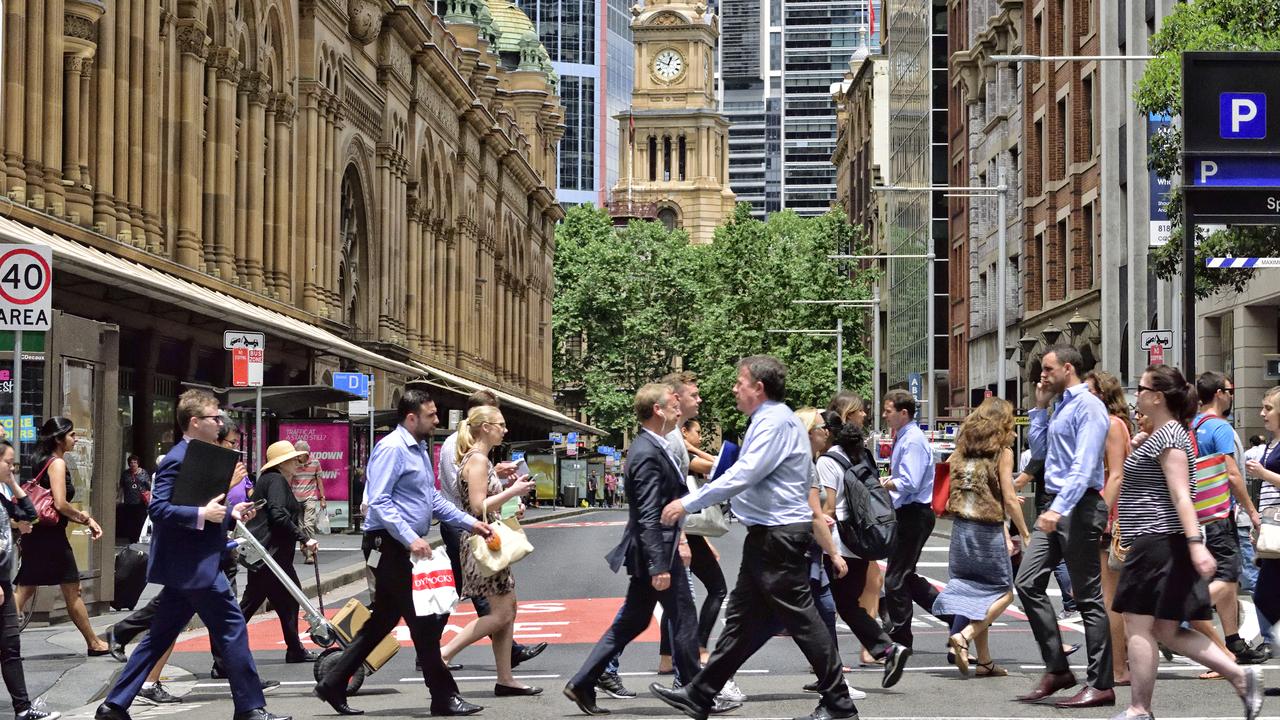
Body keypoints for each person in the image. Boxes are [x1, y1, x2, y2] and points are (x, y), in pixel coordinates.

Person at [651, 356, 858, 720]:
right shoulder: (770, 420)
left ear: (758, 387)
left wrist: (688, 503)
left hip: (778, 536)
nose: (734, 388)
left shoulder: (773, 423)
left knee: (804, 621)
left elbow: (744, 474)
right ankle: (701, 693)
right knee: (742, 620)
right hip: (769, 535)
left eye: (739, 382)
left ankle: (839, 702)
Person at [95, 389, 286, 720]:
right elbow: (159, 509)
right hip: (194, 565)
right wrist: (202, 515)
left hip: (195, 563)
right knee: (232, 627)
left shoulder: (201, 455)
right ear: (195, 422)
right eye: (214, 418)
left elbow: (208, 506)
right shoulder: (176, 459)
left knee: (160, 635)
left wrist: (231, 512)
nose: (220, 423)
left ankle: (114, 705)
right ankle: (250, 708)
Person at [314, 389, 493, 717]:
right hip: (389, 546)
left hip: (400, 545)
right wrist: (411, 538)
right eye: (431, 415)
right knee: (425, 621)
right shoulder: (393, 449)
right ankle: (444, 696)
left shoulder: (418, 450)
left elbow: (433, 499)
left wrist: (471, 523)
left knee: (383, 620)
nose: (437, 420)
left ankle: (334, 682)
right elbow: (379, 500)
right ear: (411, 417)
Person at [1113, 365, 1263, 720]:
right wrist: (1140, 445)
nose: (1137, 393)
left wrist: (1196, 544)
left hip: (1158, 541)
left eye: (1142, 387)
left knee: (1138, 624)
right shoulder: (1164, 435)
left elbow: (1182, 496)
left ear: (1157, 396)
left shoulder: (1170, 438)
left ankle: (1139, 708)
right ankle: (1241, 676)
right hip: (1161, 542)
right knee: (1166, 628)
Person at [563, 384, 711, 716]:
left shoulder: (653, 446)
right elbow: (646, 514)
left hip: (656, 549)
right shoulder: (645, 452)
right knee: (684, 618)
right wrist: (660, 564)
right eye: (673, 403)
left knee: (633, 620)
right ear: (657, 410)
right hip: (655, 552)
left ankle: (583, 682)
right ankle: (695, 693)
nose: (678, 407)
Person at [1012, 345, 1113, 708]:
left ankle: (1101, 683)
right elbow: (1040, 455)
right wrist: (1038, 409)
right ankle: (1057, 668)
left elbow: (1085, 467)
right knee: (1026, 581)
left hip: (1078, 505)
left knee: (1088, 598)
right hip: (1056, 504)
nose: (1042, 373)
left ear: (1068, 368)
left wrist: (1060, 509)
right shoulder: (1061, 406)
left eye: (1047, 368)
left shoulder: (1089, 406)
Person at [436, 389, 545, 672]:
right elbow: (476, 503)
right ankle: (442, 654)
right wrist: (512, 492)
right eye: (500, 424)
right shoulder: (473, 457)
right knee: (499, 611)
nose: (505, 430)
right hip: (477, 535)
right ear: (484, 424)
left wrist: (505, 488)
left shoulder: (478, 457)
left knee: (506, 609)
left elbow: (480, 491)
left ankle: (505, 677)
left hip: (483, 534)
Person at [654, 372, 743, 703]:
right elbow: (669, 492)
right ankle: (694, 684)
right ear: (675, 399)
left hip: (677, 534)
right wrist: (682, 540)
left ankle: (593, 675)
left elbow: (694, 459)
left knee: (646, 610)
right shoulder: (667, 438)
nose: (700, 399)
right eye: (695, 393)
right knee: (684, 608)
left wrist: (725, 468)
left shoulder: (674, 437)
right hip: (674, 536)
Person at [812, 408, 910, 689]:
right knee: (844, 604)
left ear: (827, 433)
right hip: (860, 542)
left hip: (839, 543)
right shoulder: (858, 454)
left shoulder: (827, 462)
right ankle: (883, 650)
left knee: (824, 604)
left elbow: (829, 507)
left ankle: (833, 673)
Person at [933, 397, 1030, 677]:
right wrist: (1024, 533)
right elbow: (1011, 500)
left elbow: (949, 475)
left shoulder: (962, 450)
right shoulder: (1003, 452)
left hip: (962, 530)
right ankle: (965, 635)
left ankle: (985, 661)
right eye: (1009, 424)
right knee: (1003, 593)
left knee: (976, 595)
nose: (1012, 430)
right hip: (987, 532)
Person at [211, 441, 319, 677]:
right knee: (249, 606)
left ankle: (294, 649)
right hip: (270, 556)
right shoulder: (277, 481)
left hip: (272, 555)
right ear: (282, 463)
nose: (297, 463)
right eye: (293, 459)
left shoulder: (271, 480)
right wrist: (304, 538)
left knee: (287, 601)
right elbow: (278, 514)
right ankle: (222, 660)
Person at [14, 417, 109, 656]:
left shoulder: (42, 461)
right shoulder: (56, 463)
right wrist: (86, 518)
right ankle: (94, 643)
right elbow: (60, 503)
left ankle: (93, 641)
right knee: (68, 587)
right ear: (58, 439)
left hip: (38, 534)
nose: (75, 439)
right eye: (71, 435)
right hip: (51, 538)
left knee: (27, 587)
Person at [1192, 372, 1266, 666]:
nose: (1232, 395)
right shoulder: (1219, 427)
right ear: (1219, 393)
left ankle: (1233, 641)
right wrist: (1251, 510)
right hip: (1220, 513)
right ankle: (1178, 617)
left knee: (1224, 578)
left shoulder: (1192, 426)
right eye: (1230, 390)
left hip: (1197, 514)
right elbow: (1233, 474)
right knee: (1229, 574)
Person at [0, 440, 60, 720]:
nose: (13, 467)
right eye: (8, 462)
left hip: (2, 581)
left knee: (11, 646)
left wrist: (13, 483)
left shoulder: (2, 496)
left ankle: (23, 709)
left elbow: (31, 516)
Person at [826, 391, 886, 667]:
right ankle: (869, 649)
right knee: (836, 600)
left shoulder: (854, 453)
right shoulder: (838, 456)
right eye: (860, 410)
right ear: (849, 414)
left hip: (855, 533)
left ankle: (870, 647)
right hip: (850, 534)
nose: (865, 414)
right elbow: (828, 504)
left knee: (868, 586)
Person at [879, 389, 941, 649]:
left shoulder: (912, 440)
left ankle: (901, 638)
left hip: (914, 513)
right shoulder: (904, 437)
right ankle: (953, 615)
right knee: (905, 577)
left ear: (903, 413)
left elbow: (911, 481)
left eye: (888, 410)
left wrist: (884, 484)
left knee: (895, 579)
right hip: (908, 513)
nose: (884, 415)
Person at [1085, 369, 1134, 687]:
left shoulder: (1112, 425)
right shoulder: (1105, 425)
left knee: (1110, 596)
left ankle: (1118, 668)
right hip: (1110, 517)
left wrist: (1103, 516)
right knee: (1115, 595)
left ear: (1103, 395)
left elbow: (1116, 476)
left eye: (1089, 392)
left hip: (1112, 521)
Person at [1246, 389, 1280, 670]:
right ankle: (1271, 641)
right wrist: (1258, 522)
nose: (1262, 413)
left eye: (1268, 408)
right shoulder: (1271, 443)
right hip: (1272, 526)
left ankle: (1272, 641)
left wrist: (1263, 472)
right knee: (1265, 593)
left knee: (1265, 593)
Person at [289, 441, 325, 564]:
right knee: (300, 527)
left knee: (308, 524)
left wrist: (322, 498)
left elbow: (319, 480)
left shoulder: (315, 463)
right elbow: (289, 480)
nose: (297, 457)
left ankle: (311, 553)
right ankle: (305, 551)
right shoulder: (293, 464)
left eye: (299, 455)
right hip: (296, 498)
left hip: (310, 498)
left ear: (306, 454)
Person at [117, 455, 151, 543]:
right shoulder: (125, 474)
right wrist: (118, 498)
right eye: (131, 462)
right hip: (129, 502)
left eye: (135, 462)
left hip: (140, 502)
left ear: (138, 463)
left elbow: (149, 486)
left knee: (140, 522)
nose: (133, 464)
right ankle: (132, 540)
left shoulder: (143, 473)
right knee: (130, 522)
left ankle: (138, 539)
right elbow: (121, 487)